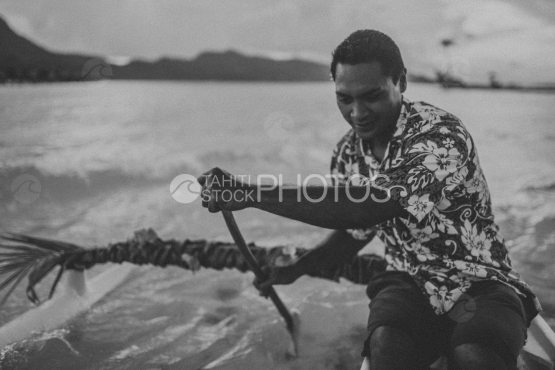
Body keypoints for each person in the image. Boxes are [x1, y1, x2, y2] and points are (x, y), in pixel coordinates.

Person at [198, 30, 541, 370]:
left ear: (401, 82)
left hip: (481, 282)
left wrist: (250, 193)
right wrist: (299, 267)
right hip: (408, 281)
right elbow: (353, 231)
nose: (358, 112)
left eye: (372, 96)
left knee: (475, 354)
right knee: (385, 346)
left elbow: (369, 206)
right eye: (344, 99)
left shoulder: (440, 135)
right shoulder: (347, 152)